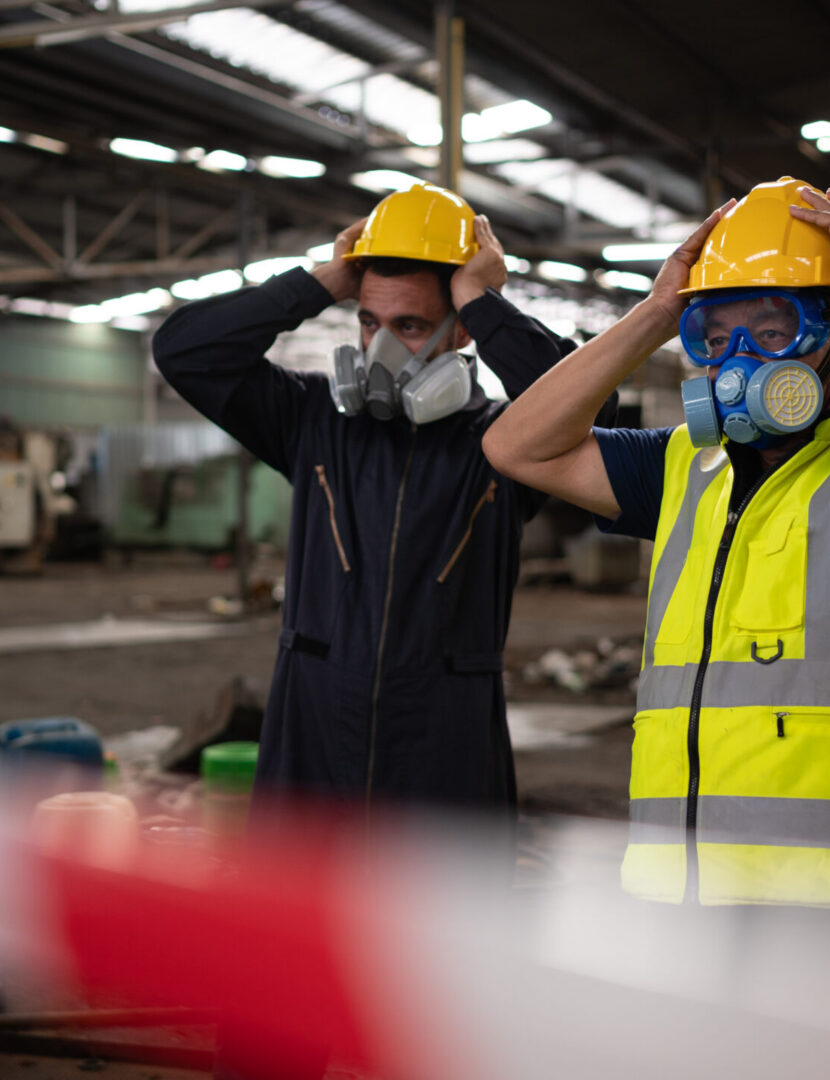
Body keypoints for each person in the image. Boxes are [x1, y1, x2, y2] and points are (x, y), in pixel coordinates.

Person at [480, 176, 830, 1023]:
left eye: (774, 328)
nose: (739, 360)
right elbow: (515, 445)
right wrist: (650, 314)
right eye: (716, 334)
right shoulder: (685, 468)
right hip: (691, 912)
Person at [153, 182, 605, 819]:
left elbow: (595, 410)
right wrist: (319, 283)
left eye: (410, 326)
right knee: (304, 917)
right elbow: (184, 352)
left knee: (439, 920)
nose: (380, 349)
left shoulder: (509, 445)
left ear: (459, 334)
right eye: (369, 322)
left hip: (444, 751)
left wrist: (486, 302)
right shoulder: (310, 419)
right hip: (311, 743)